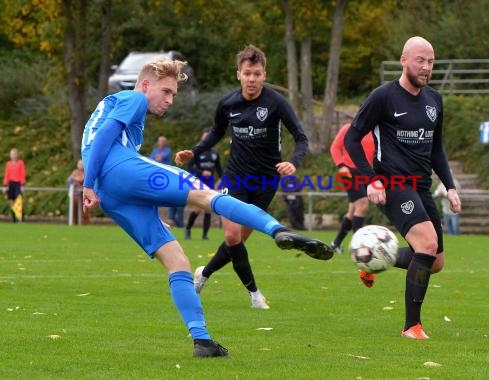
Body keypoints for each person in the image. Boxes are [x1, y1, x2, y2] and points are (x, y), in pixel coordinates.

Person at [81, 58, 332, 358]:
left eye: (174, 94)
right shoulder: (133, 98)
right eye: (167, 92)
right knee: (206, 195)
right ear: (146, 85)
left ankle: (202, 340)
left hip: (114, 195)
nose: (170, 100)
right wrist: (88, 182)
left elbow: (103, 142)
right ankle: (276, 229)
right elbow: (106, 139)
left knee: (176, 260)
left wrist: (104, 186)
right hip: (112, 172)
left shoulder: (120, 111)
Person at [175, 45, 310, 310]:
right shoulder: (228, 103)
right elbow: (216, 132)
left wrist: (292, 163)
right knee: (233, 235)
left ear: (264, 75)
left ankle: (204, 273)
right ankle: (254, 294)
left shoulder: (277, 103)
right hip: (235, 177)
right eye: (247, 73)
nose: (252, 79)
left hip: (265, 181)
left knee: (234, 241)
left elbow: (302, 139)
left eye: (257, 74)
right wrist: (195, 150)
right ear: (238, 74)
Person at [344, 36, 461, 340]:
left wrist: (449, 186)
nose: (426, 67)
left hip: (422, 185)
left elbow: (436, 149)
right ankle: (412, 327)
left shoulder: (434, 100)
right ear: (404, 60)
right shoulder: (383, 97)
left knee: (435, 262)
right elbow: (352, 139)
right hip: (393, 183)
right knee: (426, 243)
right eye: (420, 60)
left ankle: (371, 258)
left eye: (431, 62)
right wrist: (371, 178)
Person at [329, 122, 375, 254]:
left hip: (365, 173)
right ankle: (358, 246)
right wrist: (340, 165)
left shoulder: (375, 132)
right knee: (363, 205)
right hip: (349, 172)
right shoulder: (348, 128)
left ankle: (335, 244)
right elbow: (335, 148)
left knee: (353, 210)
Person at [184, 130, 224, 240]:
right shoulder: (196, 152)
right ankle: (187, 228)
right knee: (198, 208)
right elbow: (190, 167)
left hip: (210, 182)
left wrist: (223, 179)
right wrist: (201, 172)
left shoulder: (215, 154)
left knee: (208, 208)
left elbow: (219, 169)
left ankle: (205, 235)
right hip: (199, 181)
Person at [148, 136, 184, 228]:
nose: (161, 142)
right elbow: (150, 159)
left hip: (166, 175)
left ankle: (176, 220)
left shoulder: (168, 150)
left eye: (163, 141)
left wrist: (157, 158)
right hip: (156, 175)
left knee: (174, 195)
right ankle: (170, 219)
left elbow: (161, 157)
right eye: (160, 141)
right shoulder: (155, 150)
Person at [3, 148, 26, 223]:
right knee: (11, 201)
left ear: (17, 155)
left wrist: (22, 185)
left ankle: (21, 218)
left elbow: (22, 174)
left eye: (14, 154)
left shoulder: (20, 163)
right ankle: (13, 219)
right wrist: (5, 185)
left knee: (18, 201)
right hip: (11, 183)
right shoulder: (8, 164)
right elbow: (7, 175)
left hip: (18, 183)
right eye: (11, 154)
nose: (13, 156)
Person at [67, 159, 90, 225]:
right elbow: (69, 180)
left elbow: (82, 179)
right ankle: (75, 223)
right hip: (75, 194)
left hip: (84, 194)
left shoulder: (86, 172)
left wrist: (75, 180)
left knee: (85, 210)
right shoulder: (75, 172)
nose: (81, 166)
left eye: (82, 164)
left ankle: (86, 224)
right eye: (79, 164)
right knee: (74, 210)